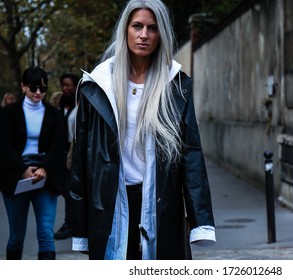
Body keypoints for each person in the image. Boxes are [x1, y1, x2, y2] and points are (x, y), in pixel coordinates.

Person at [70, 0, 215, 260]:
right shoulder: (97, 85)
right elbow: (82, 158)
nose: (144, 35)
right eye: (137, 26)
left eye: (152, 28)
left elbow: (191, 152)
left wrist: (200, 222)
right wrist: (79, 228)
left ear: (161, 34)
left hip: (161, 203)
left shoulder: (175, 84)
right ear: (125, 29)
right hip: (110, 203)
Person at [0, 66, 66, 260]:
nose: (39, 92)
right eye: (34, 87)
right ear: (23, 87)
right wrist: (21, 169)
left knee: (46, 233)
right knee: (16, 237)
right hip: (16, 176)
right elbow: (3, 146)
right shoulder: (7, 114)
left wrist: (45, 167)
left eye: (43, 88)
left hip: (45, 178)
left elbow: (59, 146)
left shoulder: (55, 115)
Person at [53, 73, 80, 240]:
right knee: (66, 191)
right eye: (63, 85)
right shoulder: (59, 106)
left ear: (76, 86)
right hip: (61, 154)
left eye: (69, 85)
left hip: (75, 154)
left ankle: (71, 225)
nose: (65, 88)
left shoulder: (82, 104)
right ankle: (71, 224)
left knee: (72, 191)